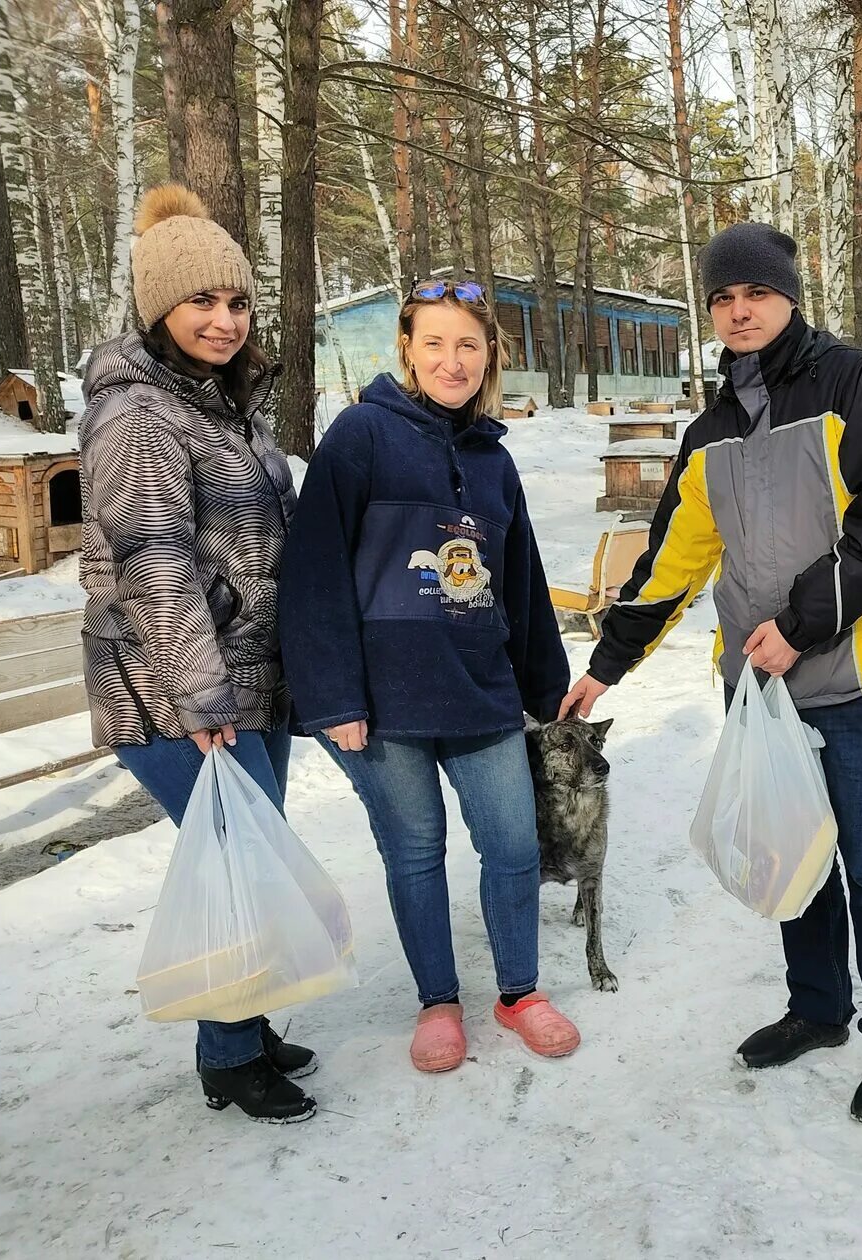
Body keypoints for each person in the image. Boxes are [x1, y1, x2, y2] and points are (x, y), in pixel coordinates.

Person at [559, 222, 862, 1126]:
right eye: (723, 298)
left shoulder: (857, 385)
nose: (739, 310)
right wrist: (606, 668)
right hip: (760, 691)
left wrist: (801, 626)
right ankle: (817, 1008)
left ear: (790, 296)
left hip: (850, 680)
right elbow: (670, 565)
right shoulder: (710, 430)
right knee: (794, 856)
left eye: (755, 294)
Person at [278, 279, 577, 1073]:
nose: (453, 360)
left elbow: (521, 582)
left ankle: (518, 993)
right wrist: (335, 696)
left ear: (490, 358)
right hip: (384, 706)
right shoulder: (360, 437)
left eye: (469, 345)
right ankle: (438, 1001)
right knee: (416, 853)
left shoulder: (493, 460)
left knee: (513, 846)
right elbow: (313, 577)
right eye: (436, 343)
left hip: (480, 693)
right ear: (406, 348)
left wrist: (546, 685)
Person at [78, 184, 317, 1123]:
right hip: (174, 694)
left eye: (237, 302)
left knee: (252, 861)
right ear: (158, 309)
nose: (224, 321)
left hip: (250, 687)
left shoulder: (225, 409)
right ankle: (228, 1057)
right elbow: (154, 568)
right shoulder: (139, 415)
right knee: (234, 871)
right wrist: (202, 701)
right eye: (202, 302)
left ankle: (246, 1027)